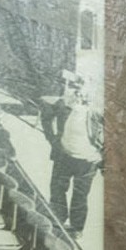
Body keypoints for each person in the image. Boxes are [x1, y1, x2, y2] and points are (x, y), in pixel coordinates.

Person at [40, 73, 103, 236]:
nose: (79, 93)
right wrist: (52, 139)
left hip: (87, 160)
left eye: (83, 89)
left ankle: (76, 228)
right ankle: (57, 220)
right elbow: (46, 116)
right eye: (76, 88)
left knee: (80, 196)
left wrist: (103, 155)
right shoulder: (63, 105)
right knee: (57, 189)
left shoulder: (97, 111)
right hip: (64, 155)